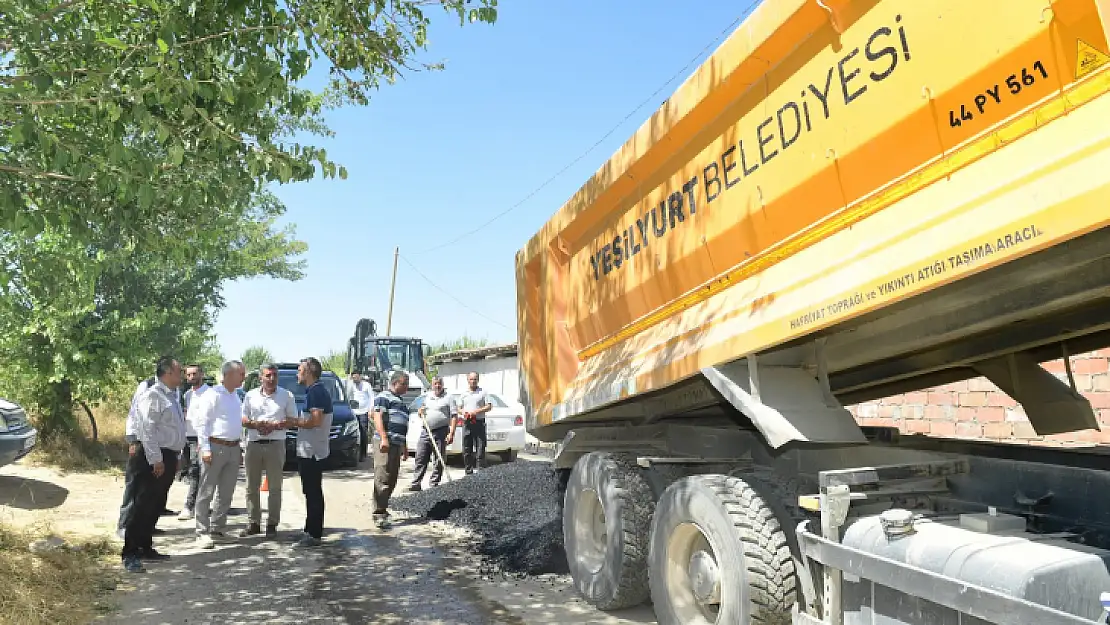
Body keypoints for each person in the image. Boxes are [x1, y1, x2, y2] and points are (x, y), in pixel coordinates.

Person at [121, 357, 186, 573]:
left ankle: (146, 546)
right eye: (179, 371)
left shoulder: (171, 396)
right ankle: (130, 552)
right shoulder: (152, 396)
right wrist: (156, 459)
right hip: (151, 456)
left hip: (167, 454)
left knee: (155, 504)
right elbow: (146, 429)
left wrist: (175, 456)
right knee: (140, 505)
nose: (182, 375)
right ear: (167, 373)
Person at [192, 360, 246, 549]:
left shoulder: (236, 396)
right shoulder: (213, 394)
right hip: (215, 447)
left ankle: (218, 529)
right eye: (241, 374)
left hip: (232, 448)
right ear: (229, 375)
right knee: (207, 490)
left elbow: (235, 423)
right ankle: (201, 532)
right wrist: (205, 448)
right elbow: (202, 423)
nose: (244, 377)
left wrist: (240, 448)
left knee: (226, 491)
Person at [240, 363, 296, 537]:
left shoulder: (286, 395)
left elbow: (292, 419)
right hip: (254, 443)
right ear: (260, 378)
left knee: (275, 487)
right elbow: (243, 418)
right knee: (251, 486)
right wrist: (255, 424)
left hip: (276, 444)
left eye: (274, 376)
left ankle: (272, 524)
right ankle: (254, 522)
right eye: (268, 376)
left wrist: (275, 426)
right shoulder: (250, 396)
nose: (271, 379)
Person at [291, 357, 332, 547]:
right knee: (310, 491)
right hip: (309, 450)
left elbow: (316, 421)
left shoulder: (317, 392)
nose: (297, 374)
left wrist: (293, 422)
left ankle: (314, 534)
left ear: (308, 372)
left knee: (313, 492)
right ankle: (309, 529)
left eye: (300, 370)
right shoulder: (313, 391)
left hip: (312, 452)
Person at [117, 375, 156, 539]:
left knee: (149, 489)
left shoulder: (172, 390)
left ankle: (143, 526)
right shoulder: (147, 386)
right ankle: (124, 525)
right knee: (133, 486)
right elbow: (135, 413)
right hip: (140, 442)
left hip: (157, 445)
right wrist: (132, 440)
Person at [371, 370, 410, 528]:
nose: (407, 387)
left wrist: (404, 446)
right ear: (395, 383)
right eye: (404, 384)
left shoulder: (400, 402)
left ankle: (383, 508)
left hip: (396, 444)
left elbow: (402, 426)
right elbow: (377, 417)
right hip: (385, 443)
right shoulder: (383, 397)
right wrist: (384, 438)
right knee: (383, 476)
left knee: (392, 478)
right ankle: (378, 513)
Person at [409, 376, 454, 492]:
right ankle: (416, 483)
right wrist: (420, 412)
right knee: (420, 457)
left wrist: (451, 433)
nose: (437, 386)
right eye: (435, 384)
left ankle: (434, 484)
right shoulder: (427, 396)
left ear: (442, 385)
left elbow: (454, 416)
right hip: (426, 430)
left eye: (439, 384)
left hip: (441, 431)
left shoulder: (449, 398)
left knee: (439, 458)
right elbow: (421, 411)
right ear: (432, 385)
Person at [177, 364, 210, 520]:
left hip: (202, 438)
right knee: (192, 471)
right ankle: (199, 504)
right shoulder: (187, 395)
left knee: (196, 471)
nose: (191, 377)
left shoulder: (209, 394)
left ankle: (189, 506)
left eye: (194, 374)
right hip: (188, 437)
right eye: (188, 375)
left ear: (201, 374)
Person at [450, 371, 492, 475]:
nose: (473, 381)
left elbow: (489, 406)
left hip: (479, 423)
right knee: (467, 448)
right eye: (471, 379)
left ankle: (480, 471)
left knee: (480, 447)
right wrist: (463, 412)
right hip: (467, 423)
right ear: (468, 380)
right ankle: (468, 471)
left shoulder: (483, 392)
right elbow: (458, 408)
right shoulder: (463, 394)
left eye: (475, 379)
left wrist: (476, 412)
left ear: (478, 380)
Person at [346, 372, 374, 462]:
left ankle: (363, 453)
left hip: (364, 411)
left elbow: (371, 397)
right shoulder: (351, 385)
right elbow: (348, 396)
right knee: (352, 431)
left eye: (356, 377)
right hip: (354, 411)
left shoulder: (366, 385)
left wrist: (370, 409)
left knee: (363, 431)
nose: (355, 379)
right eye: (353, 378)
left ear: (360, 377)